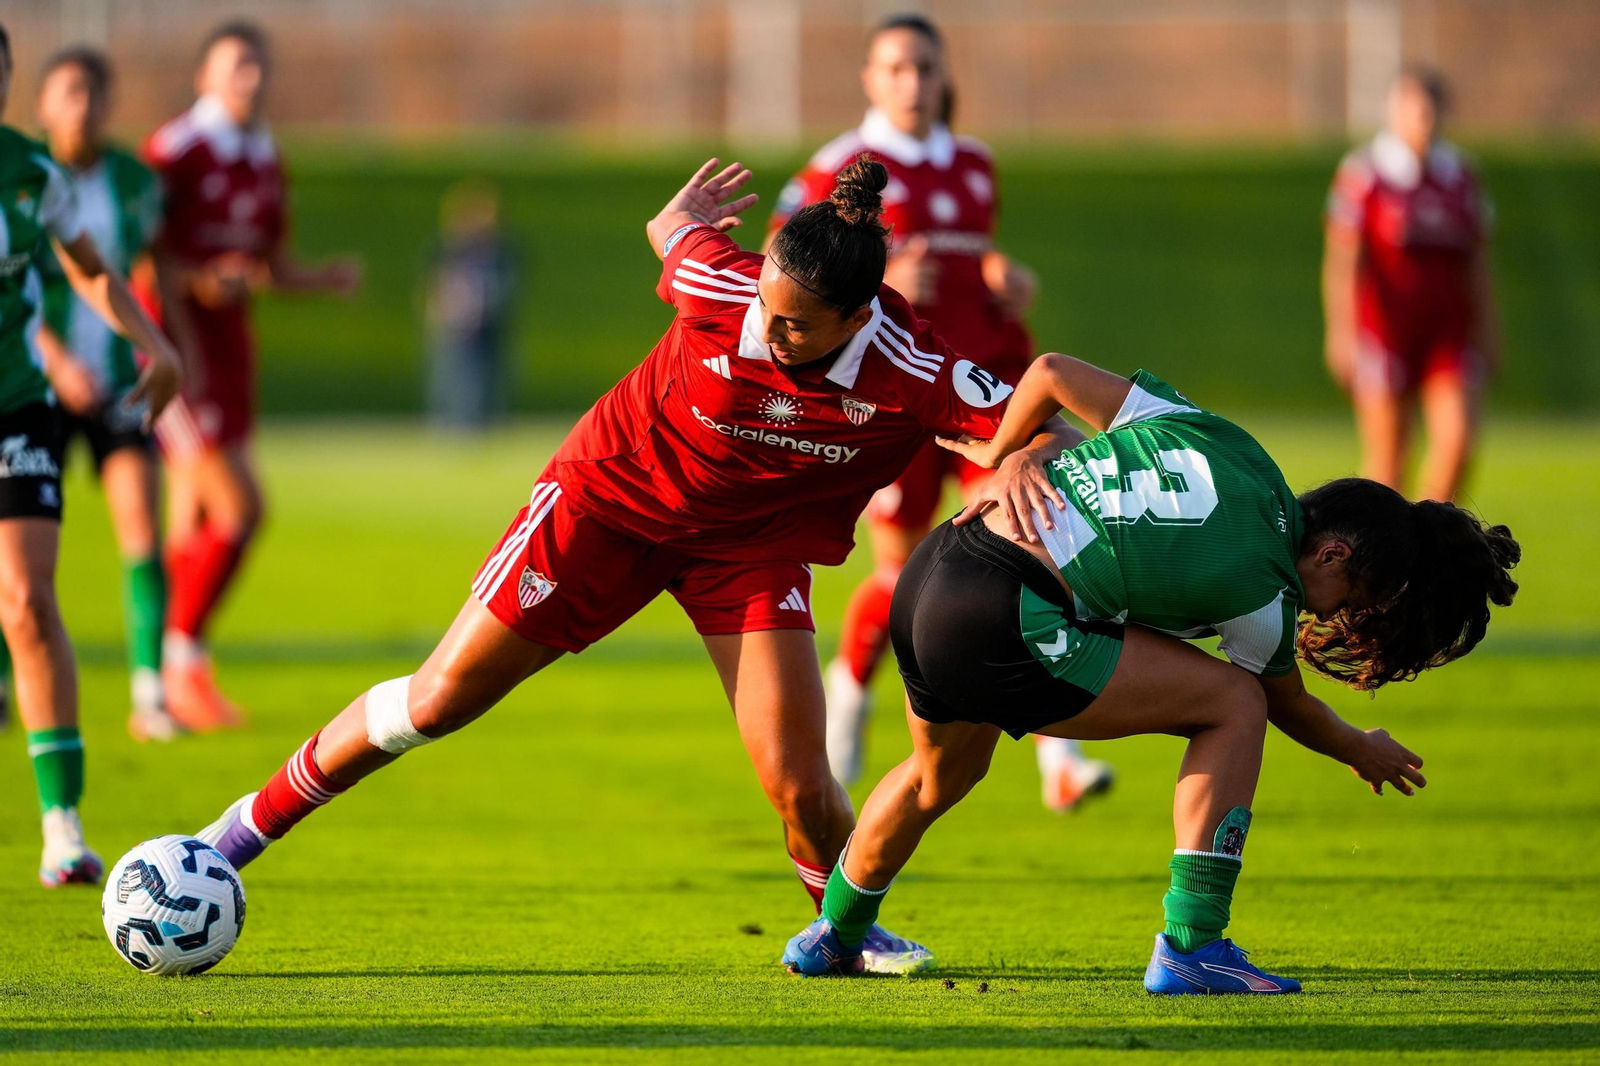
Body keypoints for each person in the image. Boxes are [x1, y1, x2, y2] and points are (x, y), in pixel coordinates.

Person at [193, 156, 1077, 974]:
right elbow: (674, 234)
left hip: (749, 546)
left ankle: (842, 932)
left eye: (796, 325)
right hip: (607, 503)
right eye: (764, 305)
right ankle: (232, 839)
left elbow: (1038, 423)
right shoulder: (720, 286)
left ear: (857, 316)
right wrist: (679, 215)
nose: (767, 330)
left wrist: (1030, 449)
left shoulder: (905, 364)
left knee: (802, 786)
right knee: (438, 701)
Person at [782, 356, 1519, 992]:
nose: (1337, 617)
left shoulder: (1229, 442)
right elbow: (1286, 704)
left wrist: (1003, 456)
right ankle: (1194, 946)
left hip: (934, 571)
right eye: (1352, 597)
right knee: (1234, 701)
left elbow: (1050, 373)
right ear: (1332, 555)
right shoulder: (1267, 588)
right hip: (1004, 613)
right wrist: (1359, 746)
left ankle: (833, 935)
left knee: (934, 778)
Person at [766, 12, 1112, 809]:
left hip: (984, 388)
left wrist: (1004, 278)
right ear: (869, 79)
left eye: (925, 68)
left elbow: (973, 257)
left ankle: (1057, 756)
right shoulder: (835, 168)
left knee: (1032, 549)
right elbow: (785, 275)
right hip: (893, 398)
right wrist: (884, 290)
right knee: (901, 572)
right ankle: (850, 688)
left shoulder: (976, 165)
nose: (913, 84)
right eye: (896, 69)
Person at [0, 23, 183, 885]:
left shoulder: (30, 177)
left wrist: (159, 347)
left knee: (29, 603)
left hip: (18, 407)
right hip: (47, 392)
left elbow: (92, 270)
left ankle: (62, 825)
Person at [144, 21, 361, 731]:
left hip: (231, 353)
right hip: (175, 357)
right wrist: (203, 287)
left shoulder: (267, 158)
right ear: (204, 76)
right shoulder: (175, 151)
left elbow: (269, 267)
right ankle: (182, 667)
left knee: (196, 516)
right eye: (237, 66)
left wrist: (324, 280)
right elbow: (144, 260)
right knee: (241, 508)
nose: (251, 79)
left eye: (259, 67)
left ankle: (160, 688)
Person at [1323, 66, 1498, 503]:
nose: (1423, 120)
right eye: (1412, 109)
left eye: (1430, 110)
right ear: (1393, 111)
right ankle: (1382, 557)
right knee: (1388, 460)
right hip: (1385, 332)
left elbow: (1477, 262)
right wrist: (1341, 332)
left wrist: (1490, 329)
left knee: (1458, 441)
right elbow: (1344, 260)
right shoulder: (1366, 174)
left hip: (1447, 332)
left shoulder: (1461, 177)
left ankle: (1429, 543)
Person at [423, 179, 518, 431]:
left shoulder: (499, 249)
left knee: (488, 372)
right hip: (455, 321)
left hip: (488, 320)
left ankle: (484, 418)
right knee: (451, 372)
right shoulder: (448, 248)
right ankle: (450, 419)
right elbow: (435, 282)